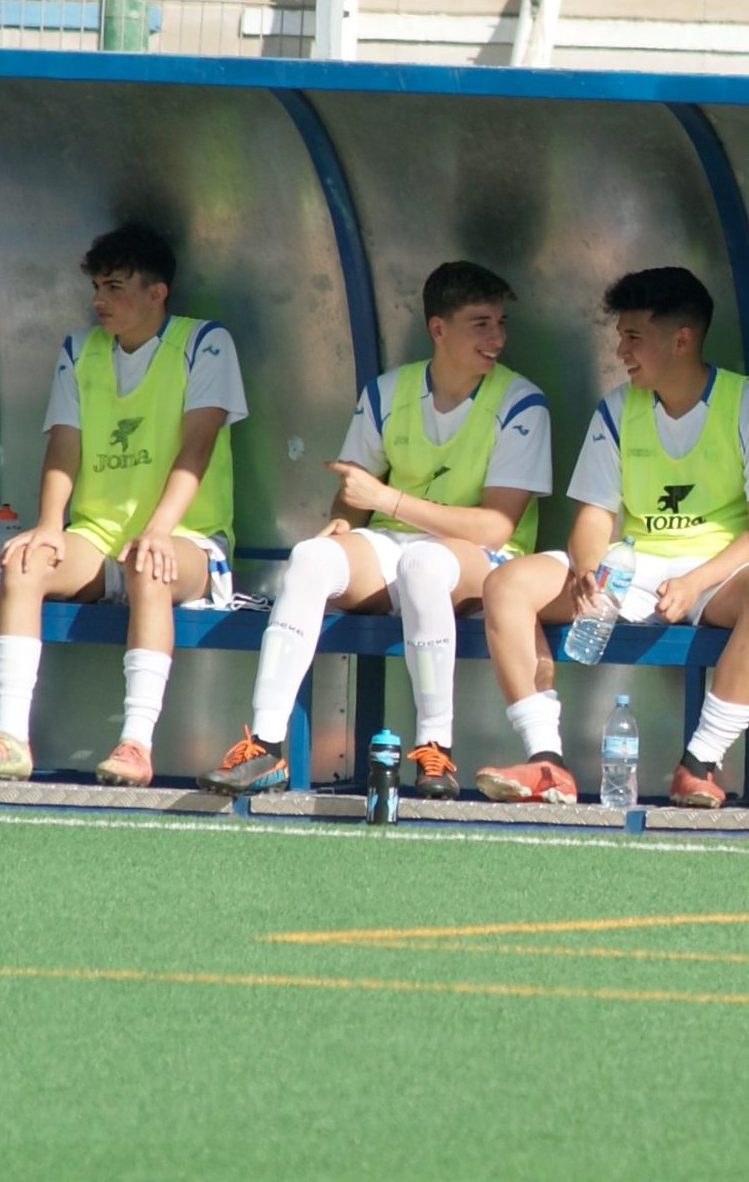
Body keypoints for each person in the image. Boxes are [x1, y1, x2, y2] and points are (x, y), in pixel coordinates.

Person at [201, 261, 551, 798]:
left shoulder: (521, 402)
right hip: (396, 544)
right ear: (439, 328)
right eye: (481, 324)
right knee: (310, 558)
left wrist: (388, 499)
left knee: (423, 564)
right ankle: (266, 746)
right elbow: (354, 496)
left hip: (479, 560)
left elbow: (495, 527)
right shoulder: (387, 393)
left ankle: (436, 749)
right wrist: (343, 521)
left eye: (501, 323)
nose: (497, 339)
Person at [477, 267, 749, 807]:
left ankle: (699, 764)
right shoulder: (617, 407)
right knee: (508, 583)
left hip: (720, 574)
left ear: (682, 340)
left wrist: (695, 582)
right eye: (620, 336)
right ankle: (546, 761)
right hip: (635, 568)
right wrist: (587, 569)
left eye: (633, 337)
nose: (621, 351)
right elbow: (594, 515)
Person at [0, 224, 245, 785]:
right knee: (25, 562)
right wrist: (48, 525)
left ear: (157, 293)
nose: (99, 301)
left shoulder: (205, 342)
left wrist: (159, 530)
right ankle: (10, 738)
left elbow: (198, 446)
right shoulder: (79, 350)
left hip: (188, 539)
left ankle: (136, 744)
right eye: (96, 287)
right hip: (98, 537)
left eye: (115, 287)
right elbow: (64, 446)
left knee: (149, 566)